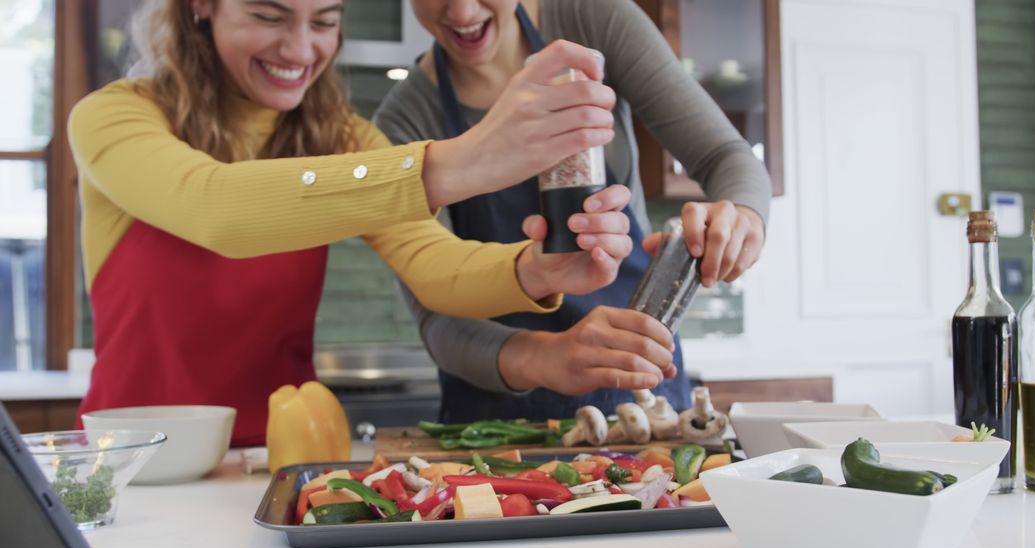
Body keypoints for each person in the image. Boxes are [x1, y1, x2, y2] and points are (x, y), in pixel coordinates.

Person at [67, 0, 672, 446]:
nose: (300, 49)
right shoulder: (116, 117)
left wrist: (533, 269)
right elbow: (214, 207)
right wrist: (460, 161)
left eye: (324, 21)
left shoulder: (344, 137)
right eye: (269, 17)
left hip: (283, 450)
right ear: (202, 7)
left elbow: (433, 266)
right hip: (133, 451)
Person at [373, 0, 772, 423]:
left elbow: (726, 156)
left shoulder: (593, 19)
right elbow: (439, 323)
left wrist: (743, 217)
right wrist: (550, 357)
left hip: (642, 396)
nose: (462, 10)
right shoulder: (402, 123)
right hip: (498, 423)